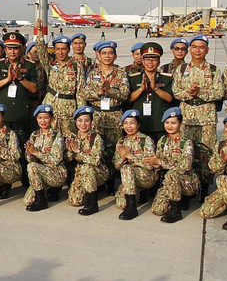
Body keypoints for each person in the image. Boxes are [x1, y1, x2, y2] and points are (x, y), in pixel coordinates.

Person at [172, 35, 224, 200]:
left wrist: (200, 93)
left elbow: (219, 92)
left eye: (201, 47)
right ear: (190, 49)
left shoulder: (214, 70)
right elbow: (176, 91)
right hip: (187, 118)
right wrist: (189, 93)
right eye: (194, 47)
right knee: (186, 153)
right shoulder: (181, 70)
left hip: (206, 118)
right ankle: (187, 188)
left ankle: (205, 187)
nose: (197, 50)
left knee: (206, 154)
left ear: (207, 50)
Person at [0, 32, 40, 183]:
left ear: (22, 48)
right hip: (4, 114)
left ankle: (24, 174)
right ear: (5, 49)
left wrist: (21, 78)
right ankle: (4, 179)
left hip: (21, 113)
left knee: (22, 144)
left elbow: (34, 88)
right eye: (9, 48)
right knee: (3, 145)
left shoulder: (29, 66)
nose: (12, 51)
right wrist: (8, 79)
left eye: (15, 48)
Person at [79, 40, 130, 194]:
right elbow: (85, 93)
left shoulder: (121, 73)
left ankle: (111, 181)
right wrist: (99, 93)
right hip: (97, 115)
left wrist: (111, 91)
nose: (107, 56)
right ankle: (98, 180)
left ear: (115, 55)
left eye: (110, 53)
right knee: (96, 148)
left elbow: (125, 94)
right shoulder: (93, 73)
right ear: (98, 55)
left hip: (114, 115)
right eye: (104, 53)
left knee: (114, 149)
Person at [148, 107, 200, 223]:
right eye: (167, 123)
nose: (169, 126)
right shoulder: (162, 140)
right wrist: (155, 164)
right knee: (157, 210)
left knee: (172, 174)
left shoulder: (186, 142)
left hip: (188, 181)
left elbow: (185, 166)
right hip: (170, 182)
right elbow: (158, 162)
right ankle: (178, 200)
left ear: (180, 124)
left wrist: (160, 162)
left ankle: (176, 212)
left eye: (173, 123)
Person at [125, 42, 175, 144]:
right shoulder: (133, 78)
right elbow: (129, 99)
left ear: (159, 62)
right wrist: (140, 89)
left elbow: (170, 98)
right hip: (140, 124)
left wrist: (156, 88)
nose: (150, 62)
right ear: (142, 61)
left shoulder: (166, 78)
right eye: (147, 59)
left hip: (159, 124)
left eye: (154, 59)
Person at [114, 109, 158, 221]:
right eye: (126, 123)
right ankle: (136, 195)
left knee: (127, 168)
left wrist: (130, 156)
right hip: (130, 180)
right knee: (120, 204)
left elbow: (150, 165)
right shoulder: (121, 141)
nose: (129, 126)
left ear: (138, 125)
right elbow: (116, 165)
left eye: (132, 123)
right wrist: (123, 158)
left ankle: (132, 207)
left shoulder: (146, 140)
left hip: (147, 176)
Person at [35, 31, 82, 135]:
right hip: (51, 106)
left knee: (68, 136)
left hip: (68, 109)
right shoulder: (50, 64)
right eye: (57, 49)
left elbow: (80, 92)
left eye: (63, 49)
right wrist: (39, 33)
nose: (60, 52)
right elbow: (41, 51)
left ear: (69, 50)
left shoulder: (76, 67)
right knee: (49, 135)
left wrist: (81, 113)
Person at [22, 104, 67, 212]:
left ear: (52, 118)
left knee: (32, 166)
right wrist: (30, 153)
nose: (43, 121)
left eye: (46, 117)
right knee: (27, 200)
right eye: (40, 118)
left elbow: (56, 159)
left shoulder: (57, 135)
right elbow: (31, 160)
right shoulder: (34, 135)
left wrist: (37, 153)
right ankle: (49, 191)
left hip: (56, 172)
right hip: (41, 173)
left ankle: (41, 200)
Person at [65, 105, 108, 215]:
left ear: (91, 122)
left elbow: (96, 160)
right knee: (74, 201)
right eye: (80, 121)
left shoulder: (96, 138)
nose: (83, 124)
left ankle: (92, 203)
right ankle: (89, 190)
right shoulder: (73, 137)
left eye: (87, 120)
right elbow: (68, 159)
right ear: (75, 122)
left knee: (87, 166)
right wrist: (70, 150)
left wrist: (78, 151)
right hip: (80, 173)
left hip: (98, 171)